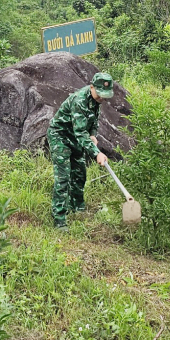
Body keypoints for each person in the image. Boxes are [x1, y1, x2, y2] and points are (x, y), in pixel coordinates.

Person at [47, 72, 113, 229]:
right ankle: (59, 218)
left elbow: (94, 120)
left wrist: (93, 135)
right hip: (60, 136)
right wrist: (96, 152)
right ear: (91, 87)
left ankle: (77, 207)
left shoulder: (96, 100)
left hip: (77, 137)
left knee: (80, 173)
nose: (102, 98)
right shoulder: (79, 100)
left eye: (105, 95)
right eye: (100, 94)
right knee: (63, 177)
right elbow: (79, 132)